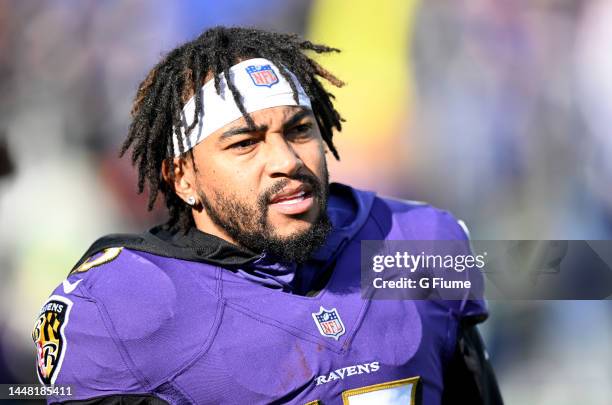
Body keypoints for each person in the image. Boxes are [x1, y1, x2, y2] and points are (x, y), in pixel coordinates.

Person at [32, 26, 502, 404]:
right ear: (183, 178)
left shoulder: (415, 240)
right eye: (245, 142)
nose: (286, 160)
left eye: (299, 130)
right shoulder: (123, 302)